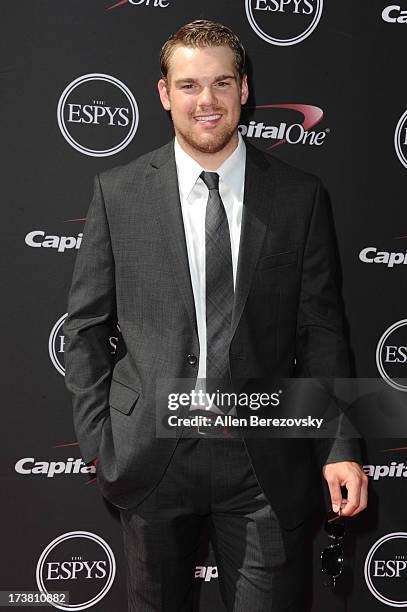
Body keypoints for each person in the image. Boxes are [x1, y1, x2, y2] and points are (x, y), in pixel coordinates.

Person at [63, 19, 368, 612]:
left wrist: (341, 447)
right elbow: (85, 328)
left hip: (263, 457)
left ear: (245, 89)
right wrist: (100, 442)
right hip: (150, 452)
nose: (206, 101)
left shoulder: (299, 195)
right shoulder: (118, 192)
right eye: (188, 85)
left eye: (222, 83)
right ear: (163, 93)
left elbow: (323, 332)